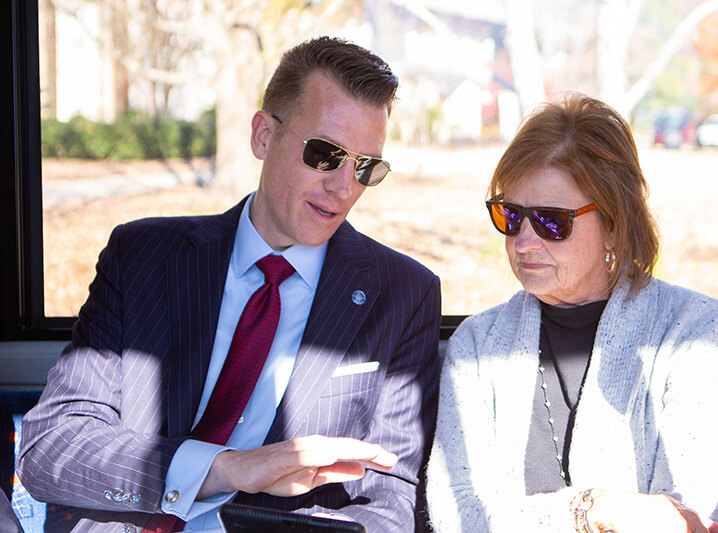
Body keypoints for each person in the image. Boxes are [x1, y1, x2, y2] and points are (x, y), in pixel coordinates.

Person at [18, 36, 441, 533]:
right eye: (326, 155)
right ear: (263, 136)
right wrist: (222, 468)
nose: (344, 187)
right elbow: (51, 447)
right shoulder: (142, 256)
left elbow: (387, 500)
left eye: (366, 167)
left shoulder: (403, 293)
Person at [425, 93, 718, 533]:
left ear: (615, 224)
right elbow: (454, 515)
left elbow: (685, 521)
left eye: (552, 221)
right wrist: (588, 509)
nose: (523, 242)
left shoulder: (700, 334)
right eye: (510, 216)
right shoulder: (478, 345)